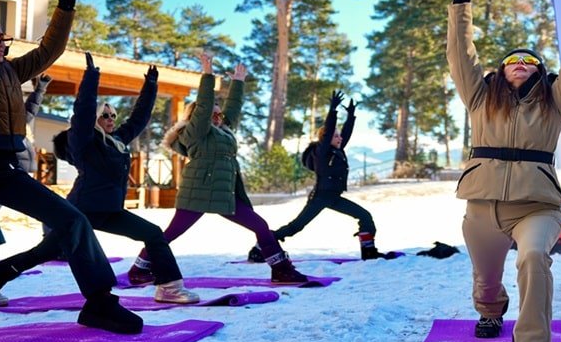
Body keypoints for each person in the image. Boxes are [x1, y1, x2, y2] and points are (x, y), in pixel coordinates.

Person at [448, 0, 561, 342]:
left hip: (538, 207)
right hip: (483, 207)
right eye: (512, 59)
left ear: (538, 70)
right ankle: (490, 312)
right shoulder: (479, 98)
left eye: (529, 60)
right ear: (501, 69)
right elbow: (461, 54)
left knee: (533, 258)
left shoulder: (555, 100)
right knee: (487, 282)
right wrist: (462, 1)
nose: (520, 63)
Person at [0, 0, 144, 334]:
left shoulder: (9, 71)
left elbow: (48, 50)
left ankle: (100, 304)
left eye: (1, 36)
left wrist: (65, 9)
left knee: (72, 222)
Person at [126, 54, 308, 285]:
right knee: (172, 232)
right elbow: (203, 105)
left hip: (223, 193)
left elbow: (233, 110)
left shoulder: (222, 130)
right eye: (213, 113)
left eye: (219, 114)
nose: (219, 117)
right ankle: (139, 269)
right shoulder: (195, 132)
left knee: (260, 226)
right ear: (198, 116)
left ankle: (281, 270)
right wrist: (208, 74)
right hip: (199, 191)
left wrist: (238, 82)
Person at [50, 53, 199, 304]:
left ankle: (169, 287)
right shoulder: (83, 141)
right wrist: (91, 77)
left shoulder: (117, 141)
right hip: (81, 211)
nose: (110, 119)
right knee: (45, 251)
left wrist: (150, 86)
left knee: (153, 233)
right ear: (95, 120)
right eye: (104, 115)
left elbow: (138, 119)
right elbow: (83, 111)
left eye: (112, 115)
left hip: (110, 210)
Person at [253, 90, 398, 262]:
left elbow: (346, 133)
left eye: (339, 136)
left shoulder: (338, 151)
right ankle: (260, 247)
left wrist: (351, 115)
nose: (339, 138)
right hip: (320, 197)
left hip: (334, 197)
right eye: (335, 136)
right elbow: (329, 130)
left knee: (365, 216)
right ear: (326, 138)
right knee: (295, 227)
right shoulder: (321, 152)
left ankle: (369, 252)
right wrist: (333, 110)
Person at [0, 74, 51, 266]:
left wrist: (41, 87)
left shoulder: (20, 121)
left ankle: (51, 241)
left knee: (48, 205)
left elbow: (32, 107)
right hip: (7, 174)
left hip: (21, 174)